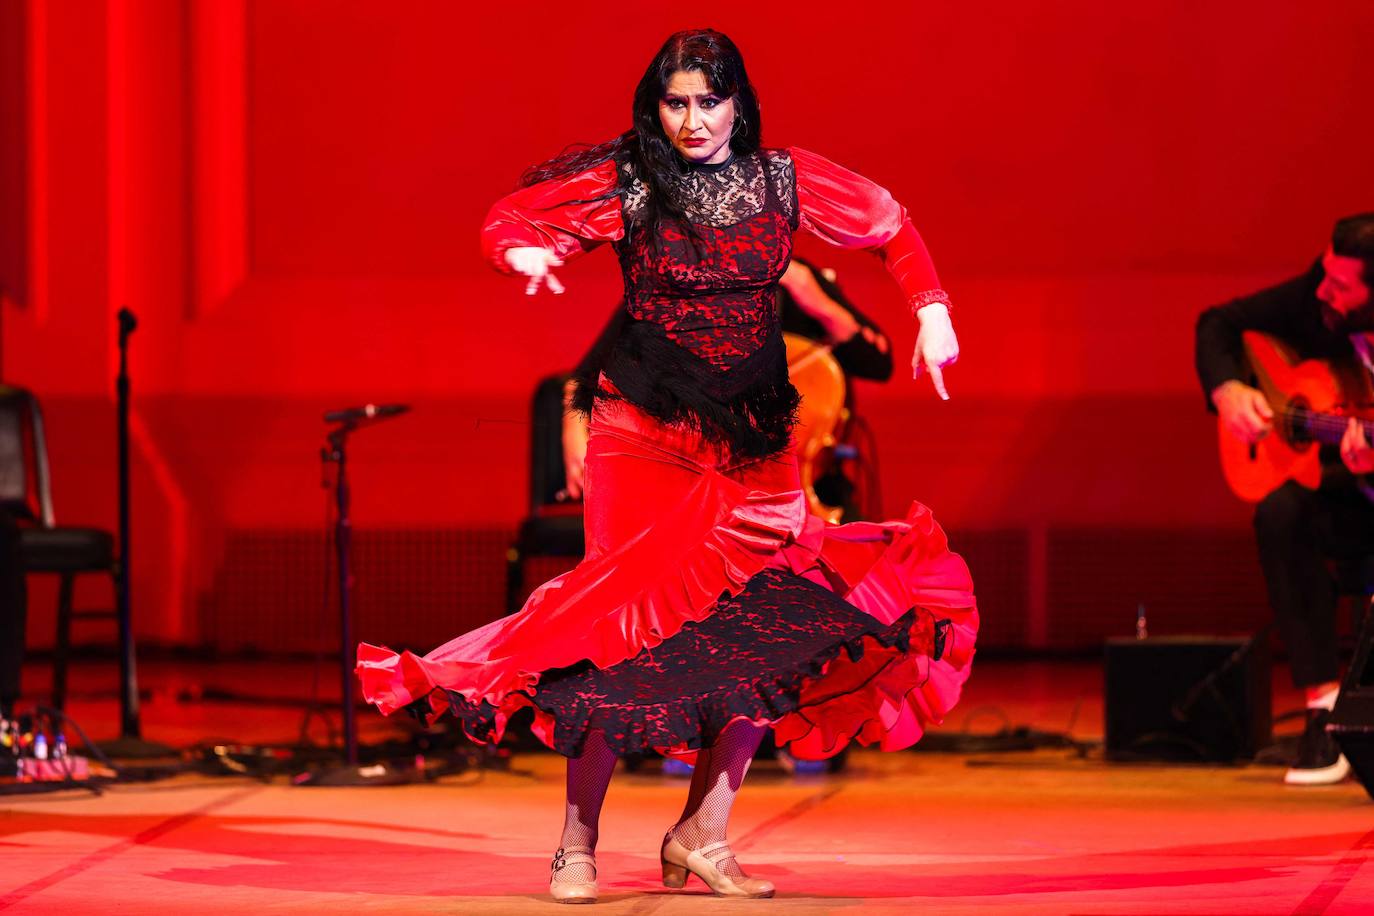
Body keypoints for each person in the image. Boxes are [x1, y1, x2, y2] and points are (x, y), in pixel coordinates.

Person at [357, 29, 977, 903]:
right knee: (616, 630)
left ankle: (703, 834)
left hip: (755, 446)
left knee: (765, 636)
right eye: (675, 102)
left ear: (738, 104)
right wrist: (524, 253)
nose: (692, 120)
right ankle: (577, 842)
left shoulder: (785, 180)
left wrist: (932, 307)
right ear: (657, 106)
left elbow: (890, 224)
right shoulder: (632, 184)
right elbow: (511, 218)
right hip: (642, 435)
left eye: (708, 102)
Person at [1195, 212, 1374, 787]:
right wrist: (1230, 389)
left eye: (1341, 286)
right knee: (1279, 512)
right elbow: (1218, 323)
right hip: (1345, 486)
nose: (1324, 290)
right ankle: (1323, 706)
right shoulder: (1316, 294)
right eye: (1325, 274)